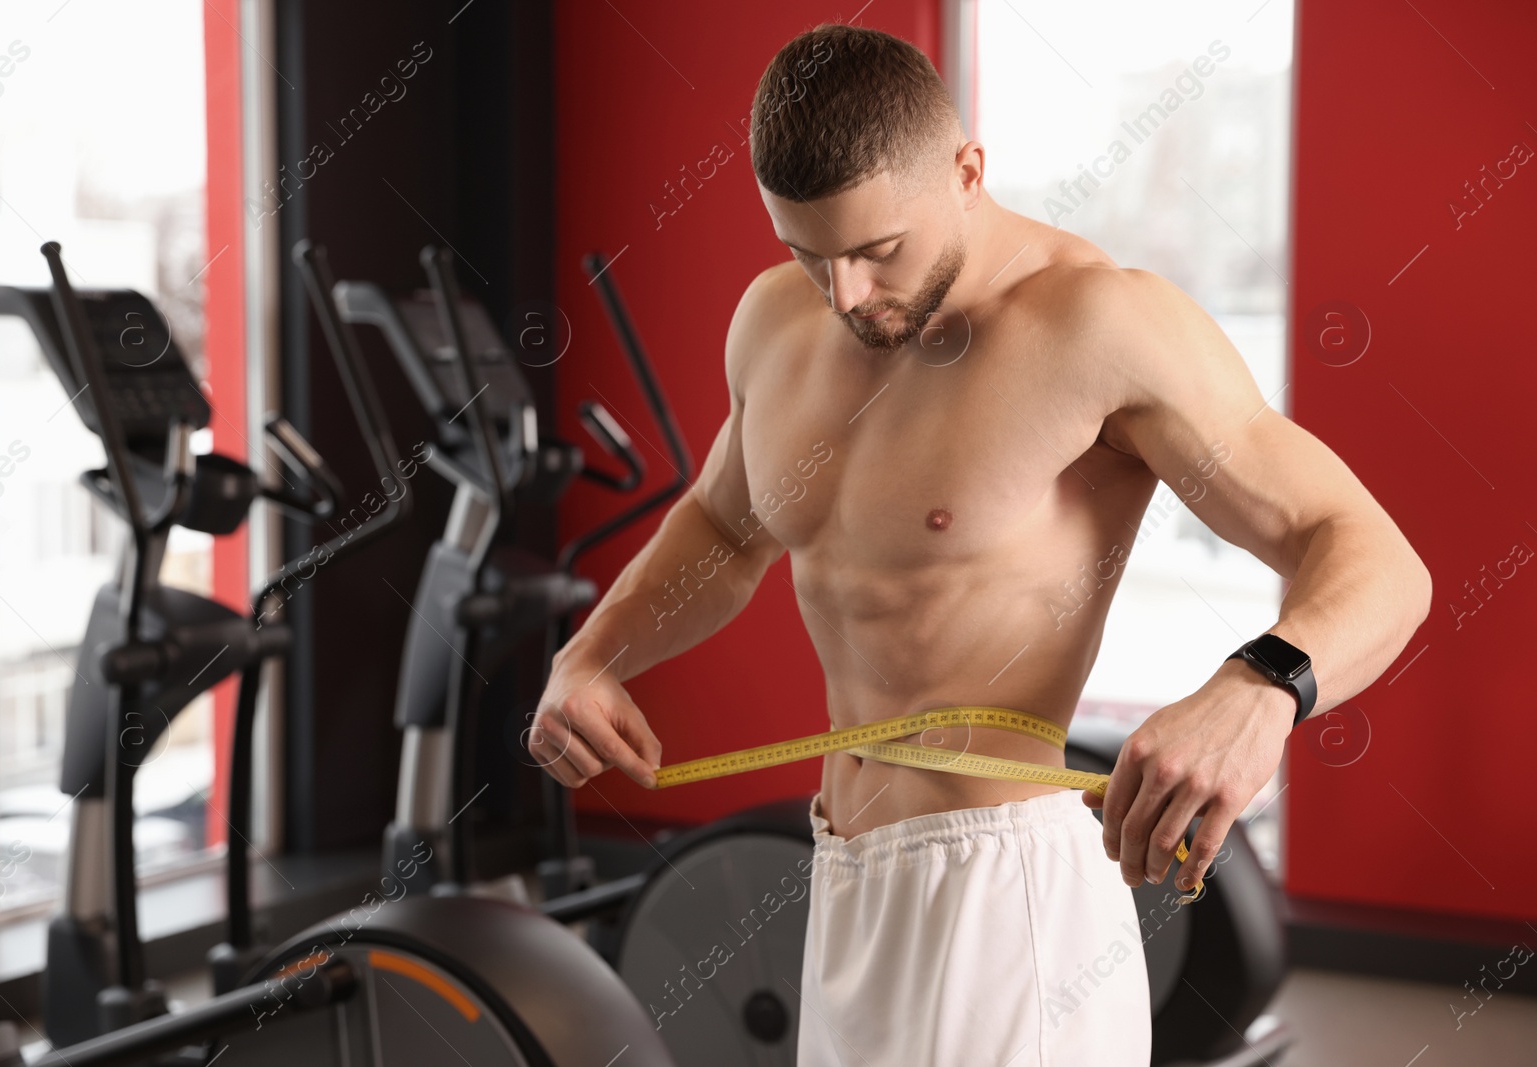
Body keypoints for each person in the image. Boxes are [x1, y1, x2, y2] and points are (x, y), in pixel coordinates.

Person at [530, 22, 1431, 1066]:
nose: (846, 296)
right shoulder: (775, 320)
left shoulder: (1098, 324)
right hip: (846, 875)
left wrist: (1261, 685)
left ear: (967, 171)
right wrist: (592, 654)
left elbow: (1370, 554)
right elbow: (725, 526)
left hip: (1009, 898)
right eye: (807, 253)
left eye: (876, 251)